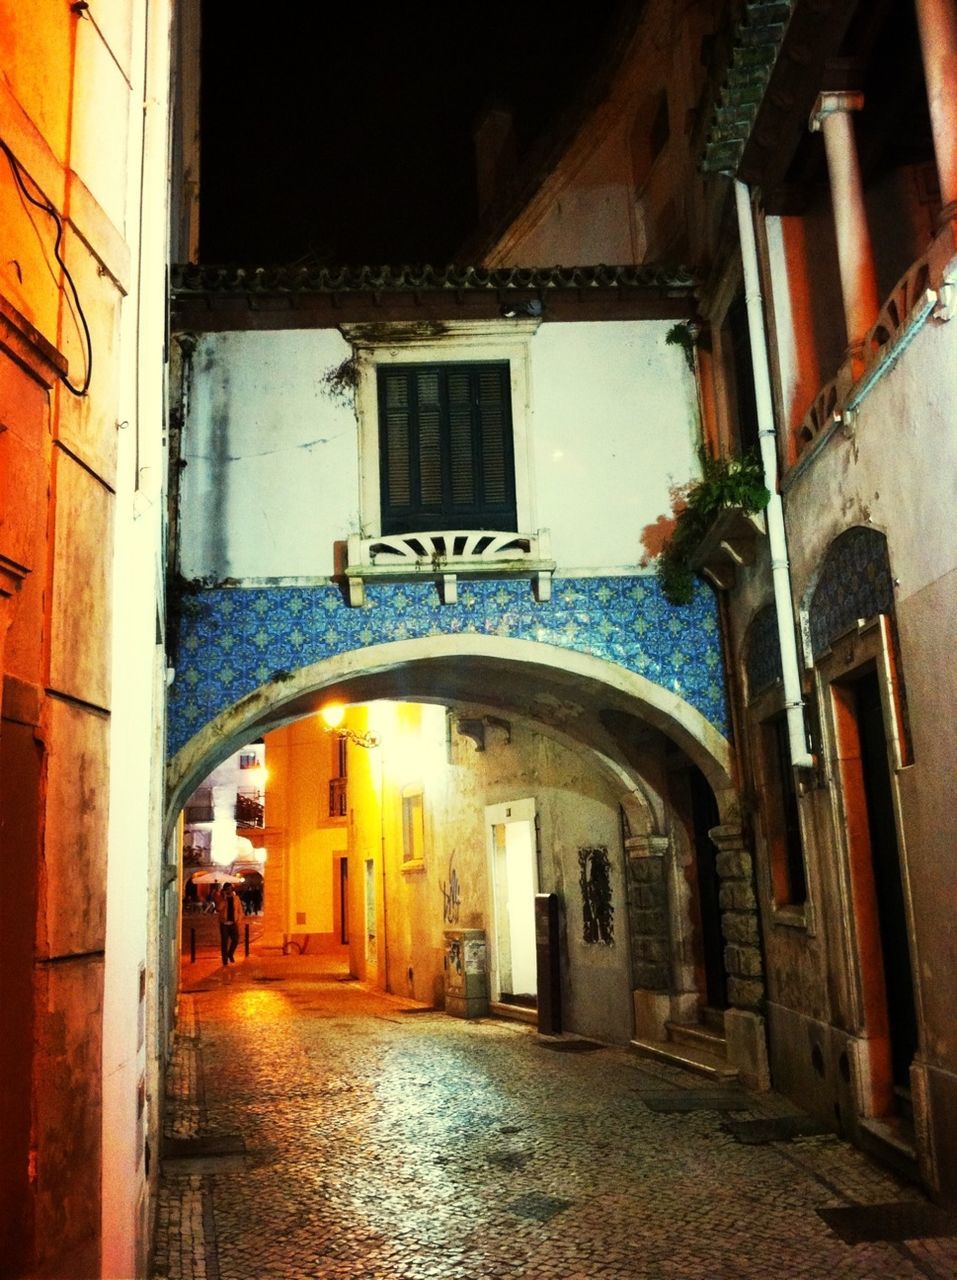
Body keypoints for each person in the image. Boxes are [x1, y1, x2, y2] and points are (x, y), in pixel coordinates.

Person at [215, 882, 244, 965]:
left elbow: (240, 911)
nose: (229, 891)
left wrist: (238, 920)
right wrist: (224, 899)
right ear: (224, 890)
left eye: (230, 889)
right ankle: (224, 960)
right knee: (224, 942)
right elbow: (219, 908)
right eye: (227, 889)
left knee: (235, 940)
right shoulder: (221, 898)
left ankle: (230, 954)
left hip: (233, 923)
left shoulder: (236, 898)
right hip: (224, 924)